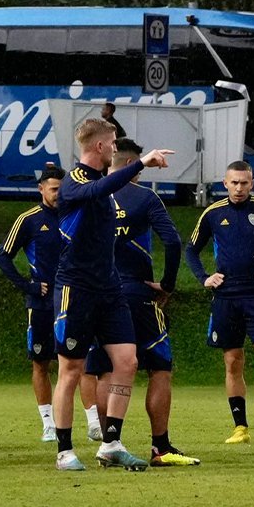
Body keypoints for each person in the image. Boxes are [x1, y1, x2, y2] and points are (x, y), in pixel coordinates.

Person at [48, 117, 173, 471]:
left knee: (128, 362)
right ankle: (64, 450)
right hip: (75, 288)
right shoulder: (73, 182)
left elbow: (103, 190)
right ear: (100, 145)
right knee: (71, 368)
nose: (116, 147)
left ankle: (111, 443)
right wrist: (140, 163)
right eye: (114, 141)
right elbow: (95, 193)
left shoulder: (104, 183)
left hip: (110, 288)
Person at [84, 138, 199, 466]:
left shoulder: (92, 194)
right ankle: (160, 447)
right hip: (137, 294)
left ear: (111, 164)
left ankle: (110, 444)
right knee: (159, 368)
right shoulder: (145, 197)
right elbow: (173, 242)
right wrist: (167, 284)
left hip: (98, 294)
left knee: (106, 370)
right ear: (136, 165)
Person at [0, 166, 102, 442]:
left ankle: (93, 422)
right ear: (41, 189)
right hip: (42, 304)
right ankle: (48, 423)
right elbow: (3, 258)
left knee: (80, 362)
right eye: (53, 189)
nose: (58, 194)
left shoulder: (77, 215)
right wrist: (28, 285)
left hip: (75, 300)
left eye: (61, 189)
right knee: (41, 363)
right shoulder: (29, 220)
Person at [185, 160, 254, 445]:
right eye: (234, 183)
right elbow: (191, 249)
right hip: (226, 298)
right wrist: (204, 277)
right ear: (225, 183)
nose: (239, 188)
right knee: (233, 362)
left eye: (244, 182)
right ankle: (240, 428)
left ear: (252, 182)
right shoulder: (213, 213)